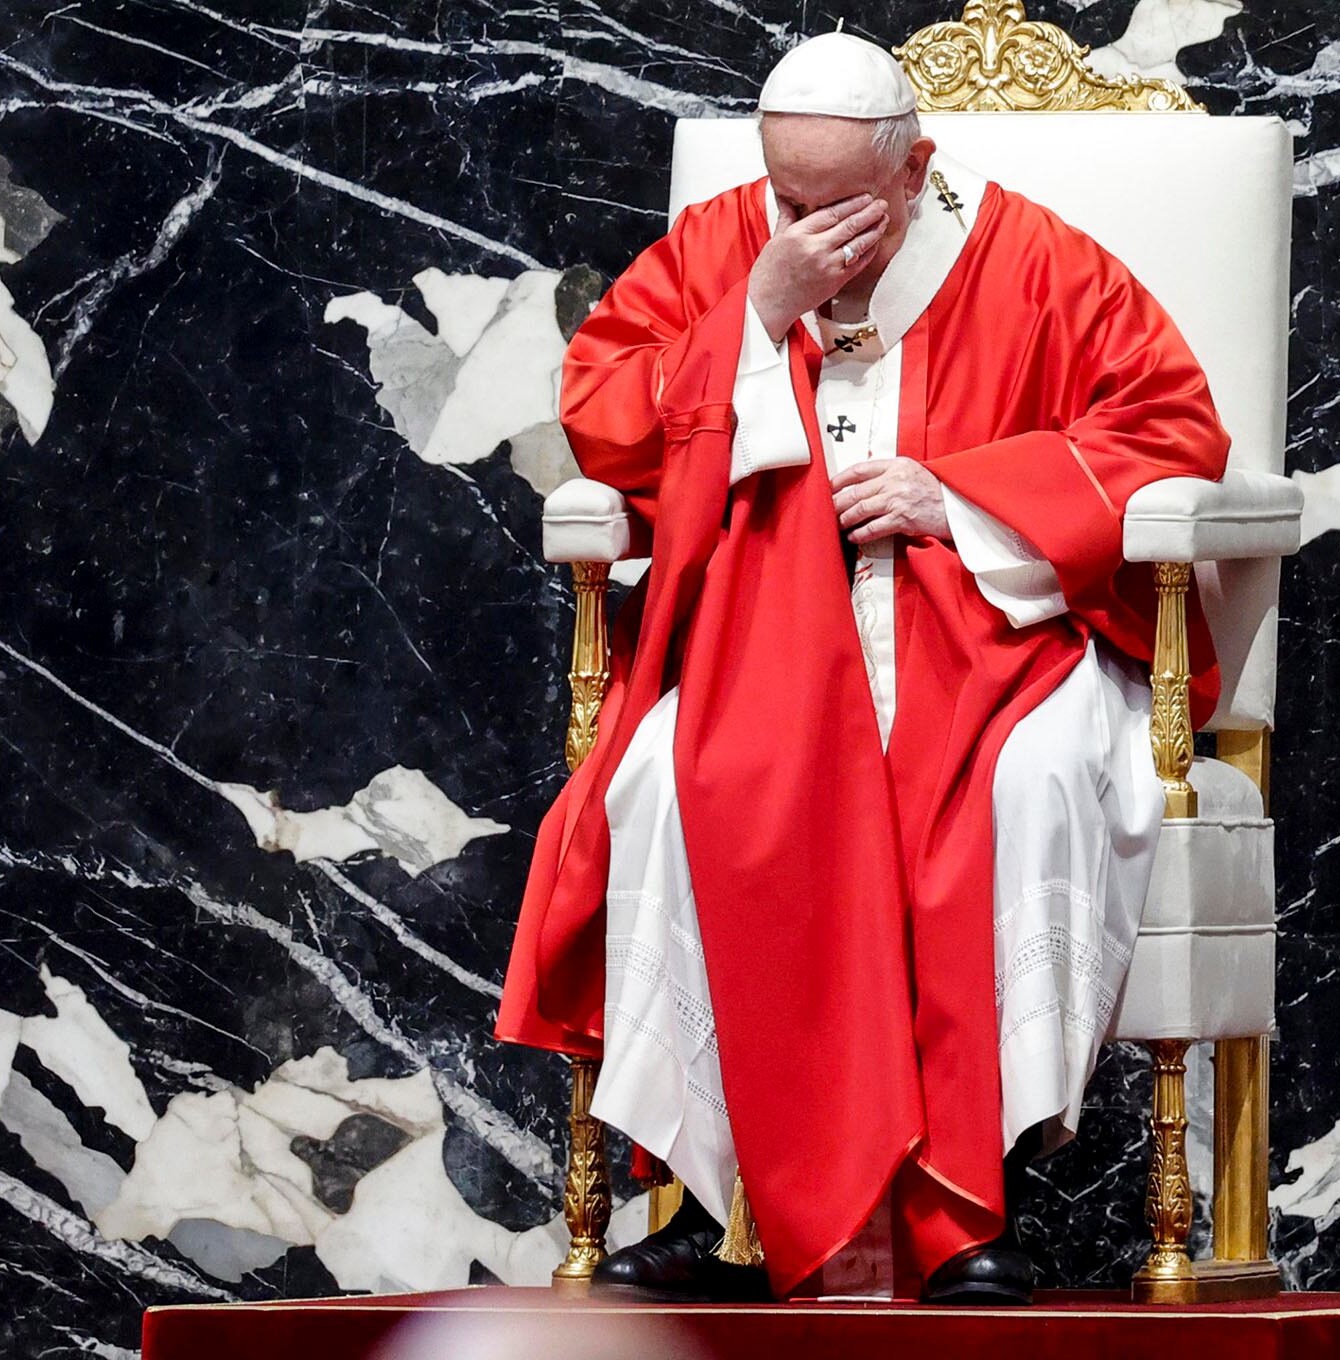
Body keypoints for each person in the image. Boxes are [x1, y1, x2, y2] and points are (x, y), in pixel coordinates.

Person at [493, 30, 1232, 1305]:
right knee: (671, 779)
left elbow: (1171, 428)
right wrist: (756, 313)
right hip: (764, 644)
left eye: (846, 211)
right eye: (790, 203)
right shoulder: (728, 250)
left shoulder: (1038, 264)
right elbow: (599, 413)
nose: (812, 233)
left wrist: (964, 497)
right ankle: (733, 1206)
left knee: (1026, 784)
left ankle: (966, 1207)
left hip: (994, 633)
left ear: (914, 169)